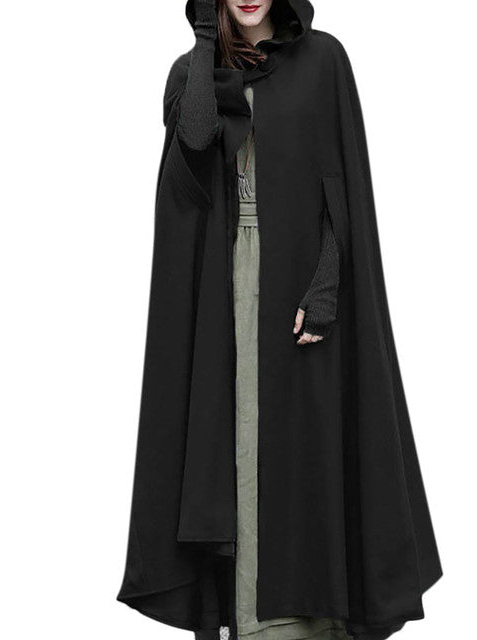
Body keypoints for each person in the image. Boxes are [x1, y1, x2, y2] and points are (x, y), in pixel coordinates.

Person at [117, 2, 442, 639]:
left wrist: (327, 284)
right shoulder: (190, 72)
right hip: (224, 285)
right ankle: (251, 621)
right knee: (238, 442)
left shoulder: (325, 61)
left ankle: (316, 617)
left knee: (310, 445)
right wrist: (205, 38)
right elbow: (194, 146)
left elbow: (341, 183)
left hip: (303, 281)